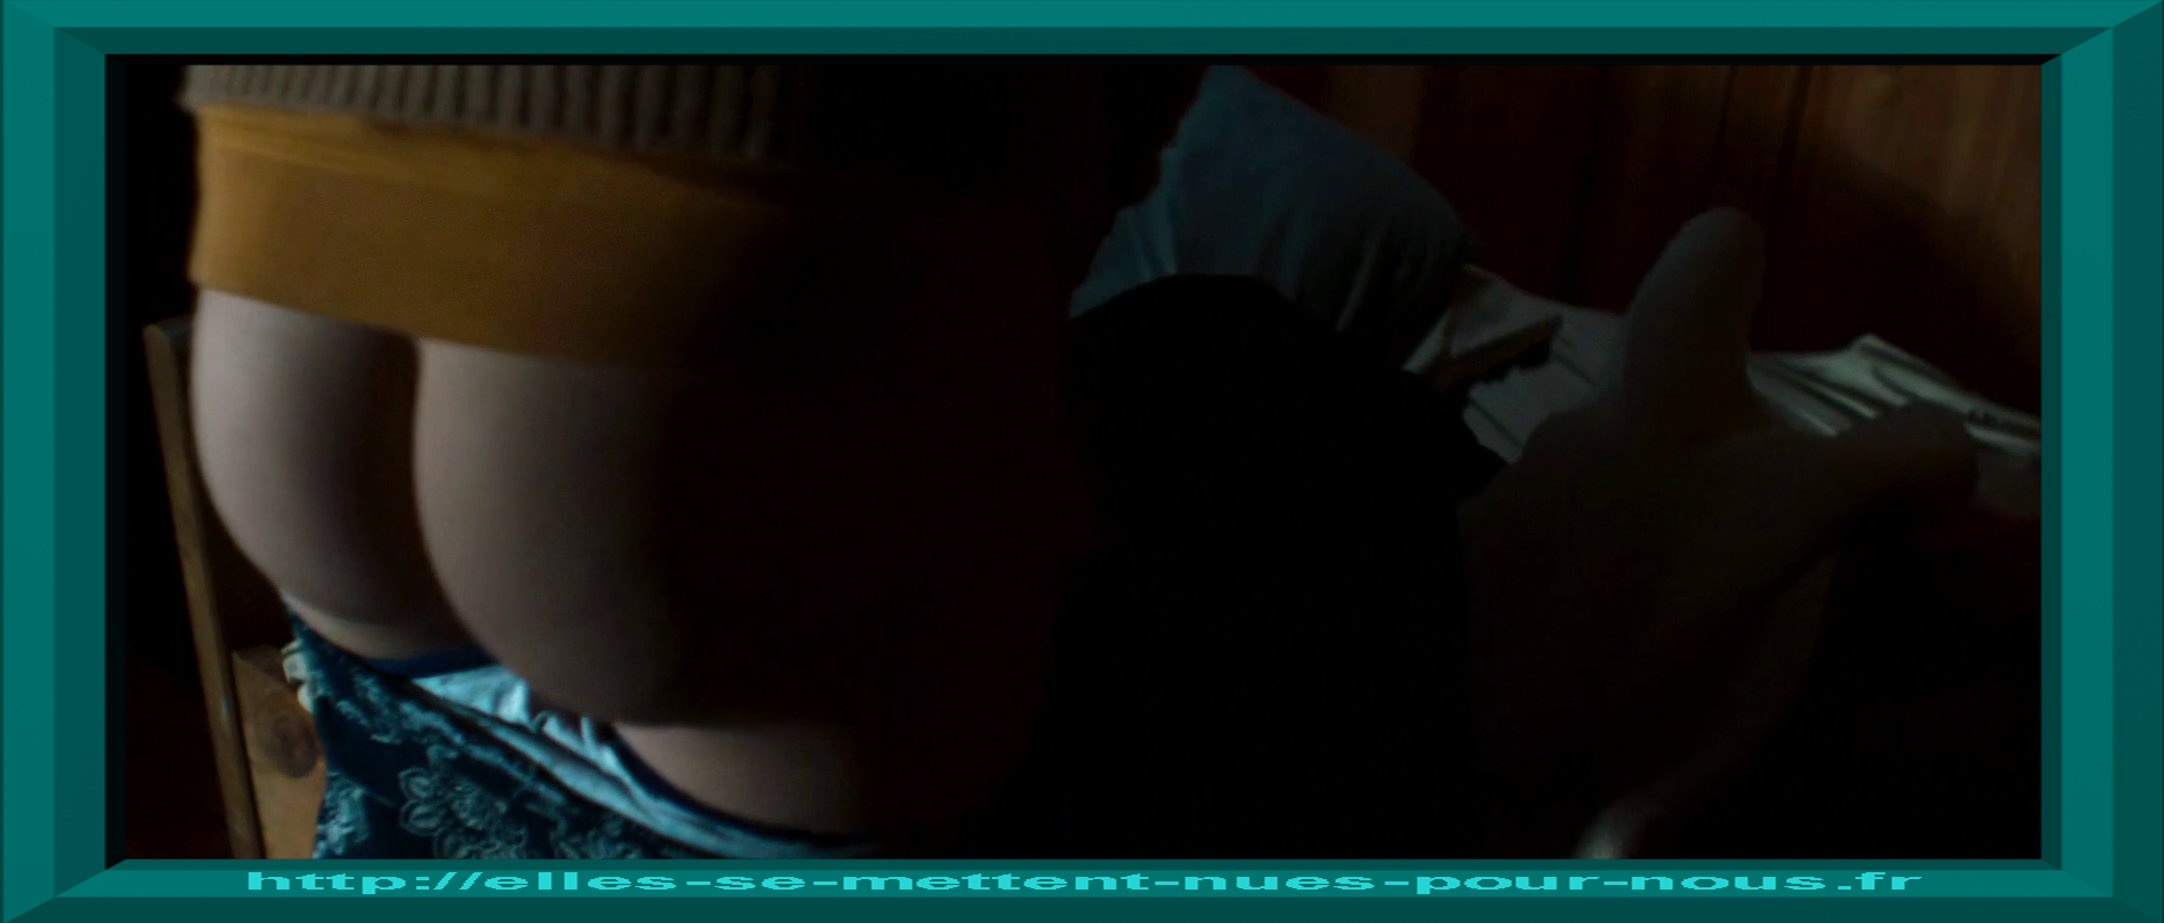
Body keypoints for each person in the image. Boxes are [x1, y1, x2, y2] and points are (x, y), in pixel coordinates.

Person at [181, 62, 1981, 858]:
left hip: (293, 282)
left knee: (1222, 368)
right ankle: (1637, 539)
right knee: (1259, 406)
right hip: (687, 301)